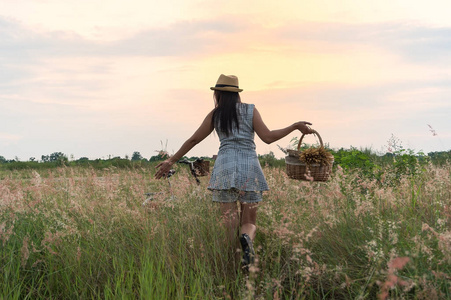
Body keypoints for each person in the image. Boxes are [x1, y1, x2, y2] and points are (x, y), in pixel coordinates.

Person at [155, 74, 314, 270]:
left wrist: (171, 160)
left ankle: (232, 263)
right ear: (237, 94)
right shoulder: (250, 110)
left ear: (218, 94)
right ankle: (247, 240)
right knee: (249, 222)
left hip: (224, 169)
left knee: (230, 222)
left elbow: (193, 140)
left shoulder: (216, 115)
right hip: (250, 169)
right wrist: (294, 126)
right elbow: (269, 138)